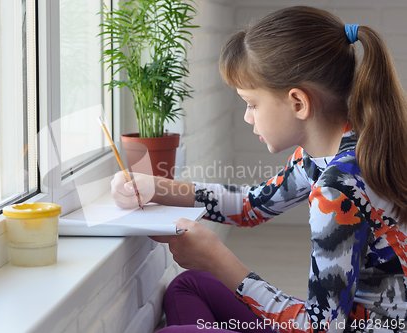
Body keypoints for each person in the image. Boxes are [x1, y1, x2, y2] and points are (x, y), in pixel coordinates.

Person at [110, 6, 407, 333]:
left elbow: (322, 328)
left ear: (298, 103)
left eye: (252, 104)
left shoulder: (338, 190)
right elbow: (252, 205)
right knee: (189, 285)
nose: (247, 117)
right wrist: (158, 187)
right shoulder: (329, 152)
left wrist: (217, 260)